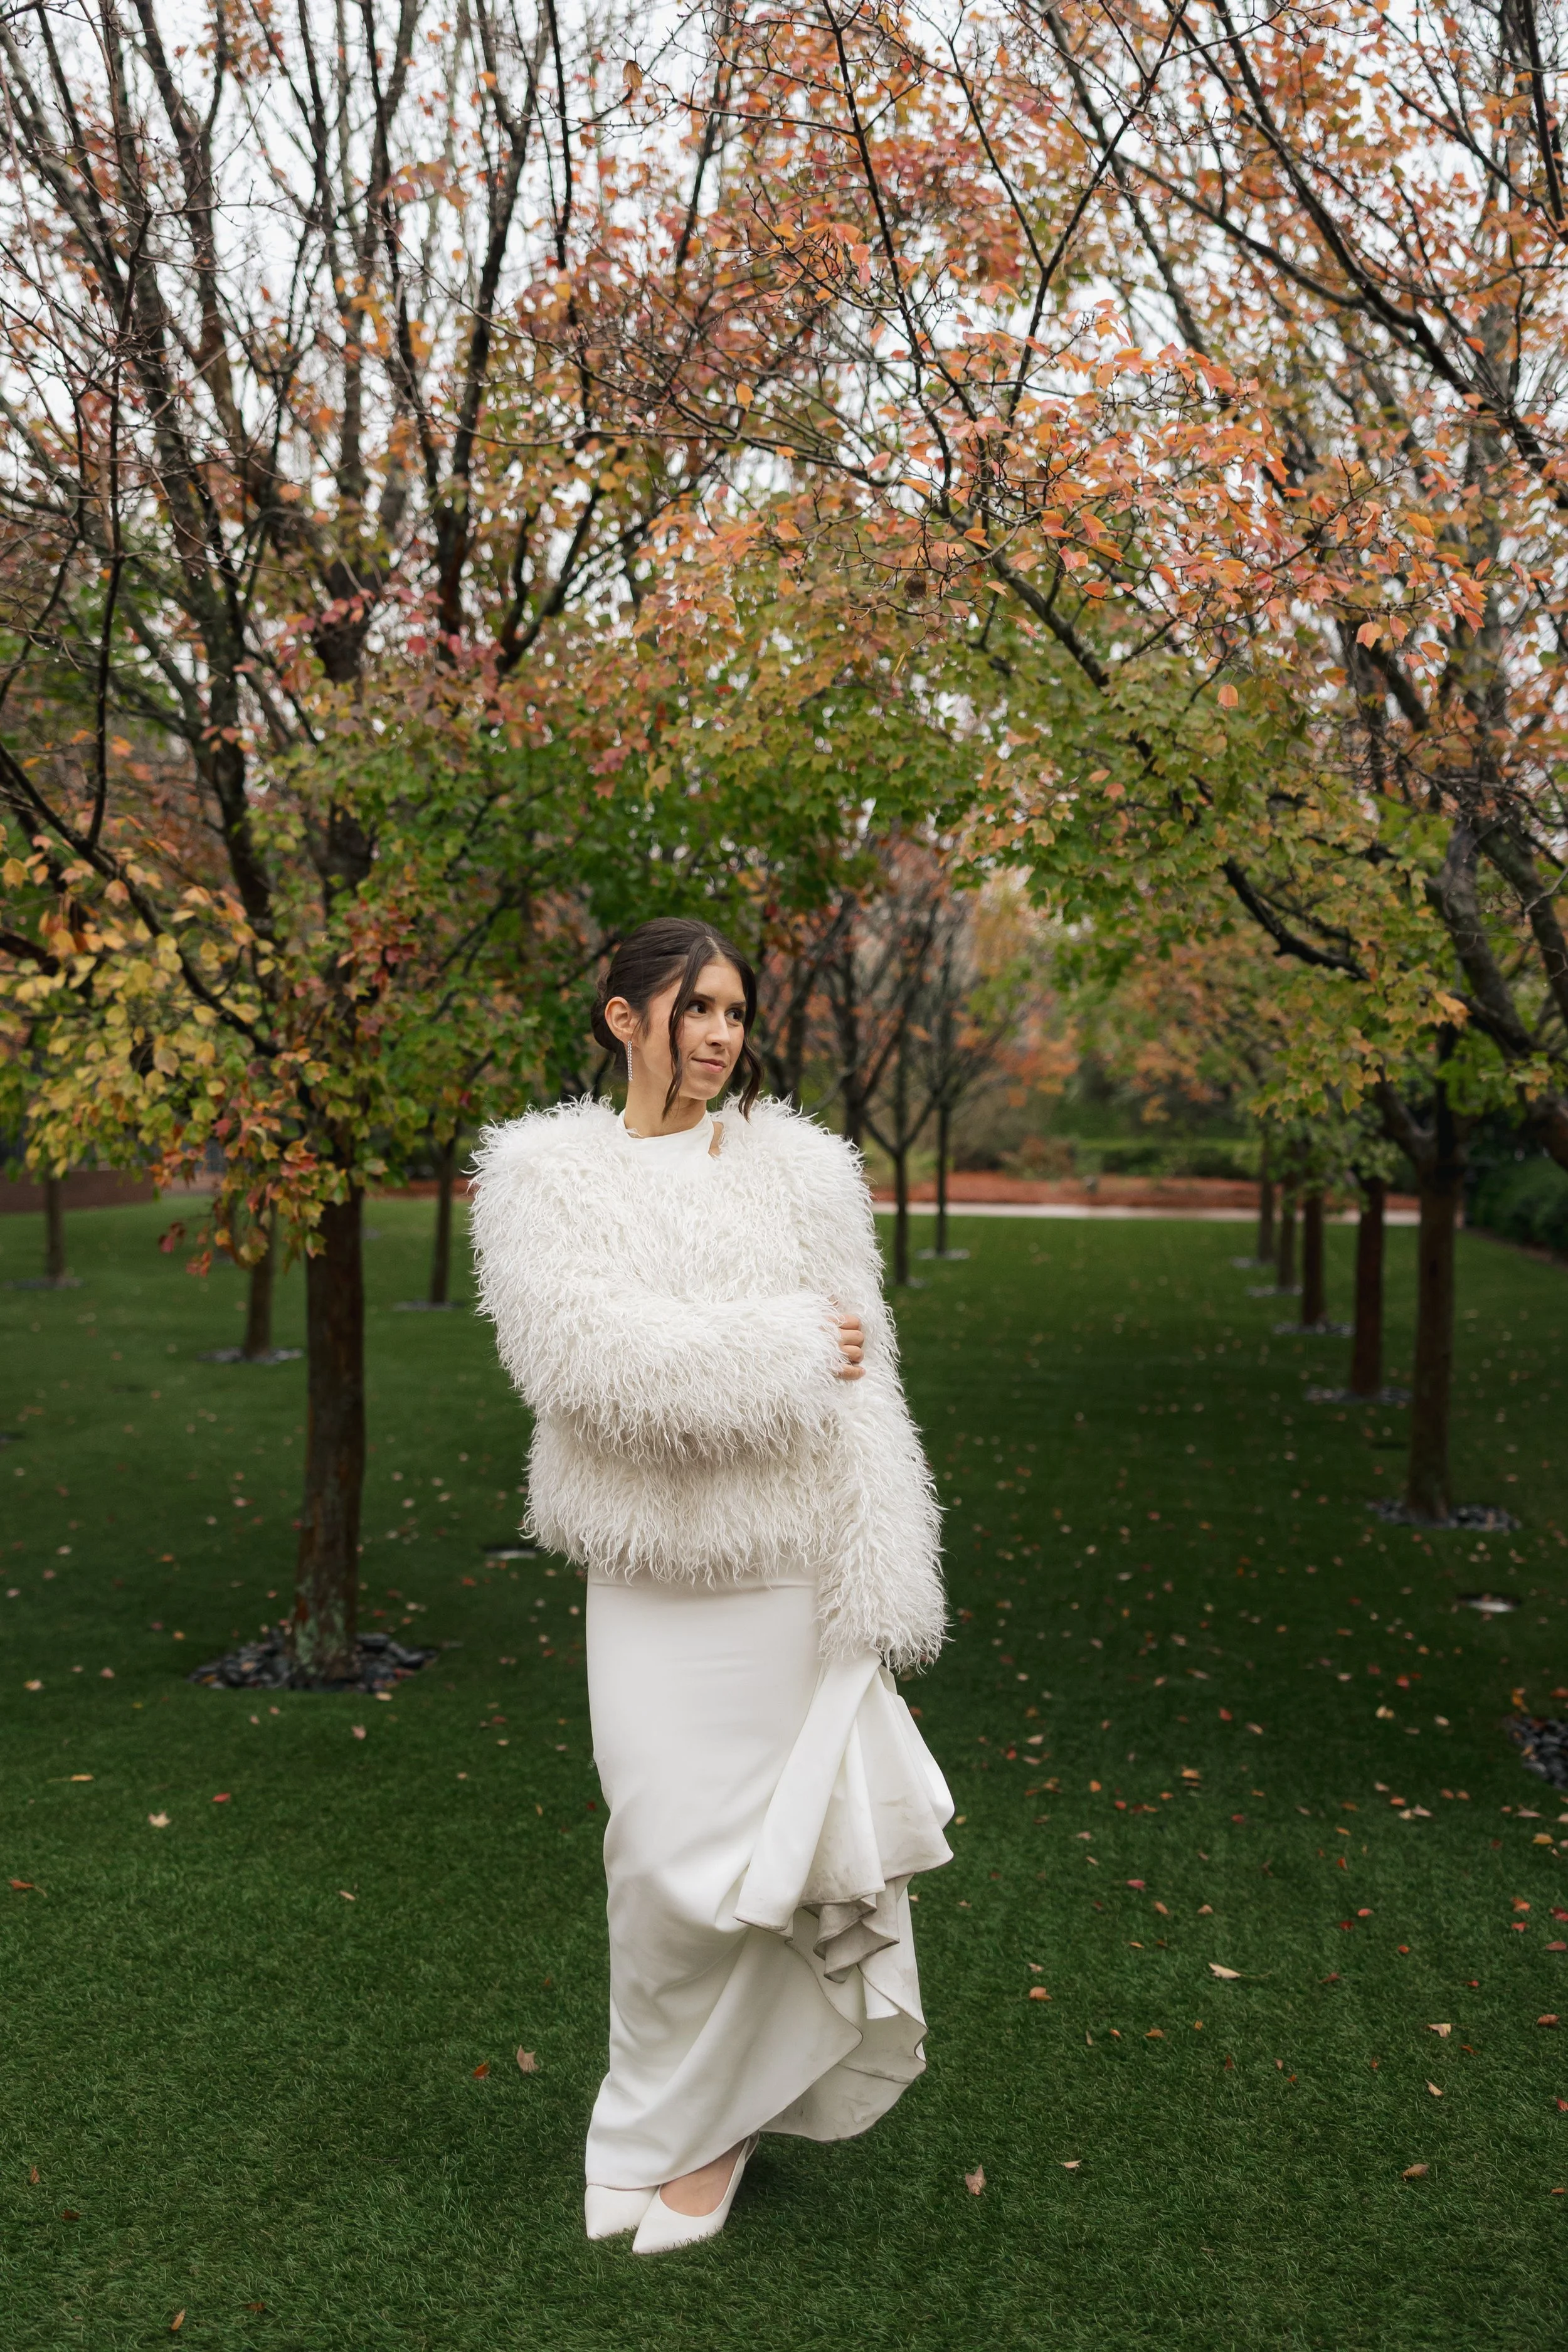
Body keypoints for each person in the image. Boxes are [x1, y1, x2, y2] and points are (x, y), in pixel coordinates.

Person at [470, 916, 951, 2257]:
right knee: (661, 1863)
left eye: (735, 1011)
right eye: (695, 1010)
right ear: (623, 1017)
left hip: (784, 1572)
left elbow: (868, 1392)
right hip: (643, 1572)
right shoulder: (539, 1178)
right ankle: (648, 2115)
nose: (722, 1036)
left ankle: (720, 2126)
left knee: (763, 1862)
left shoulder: (801, 1171)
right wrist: (787, 1341)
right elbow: (583, 1367)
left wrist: (878, 1572)